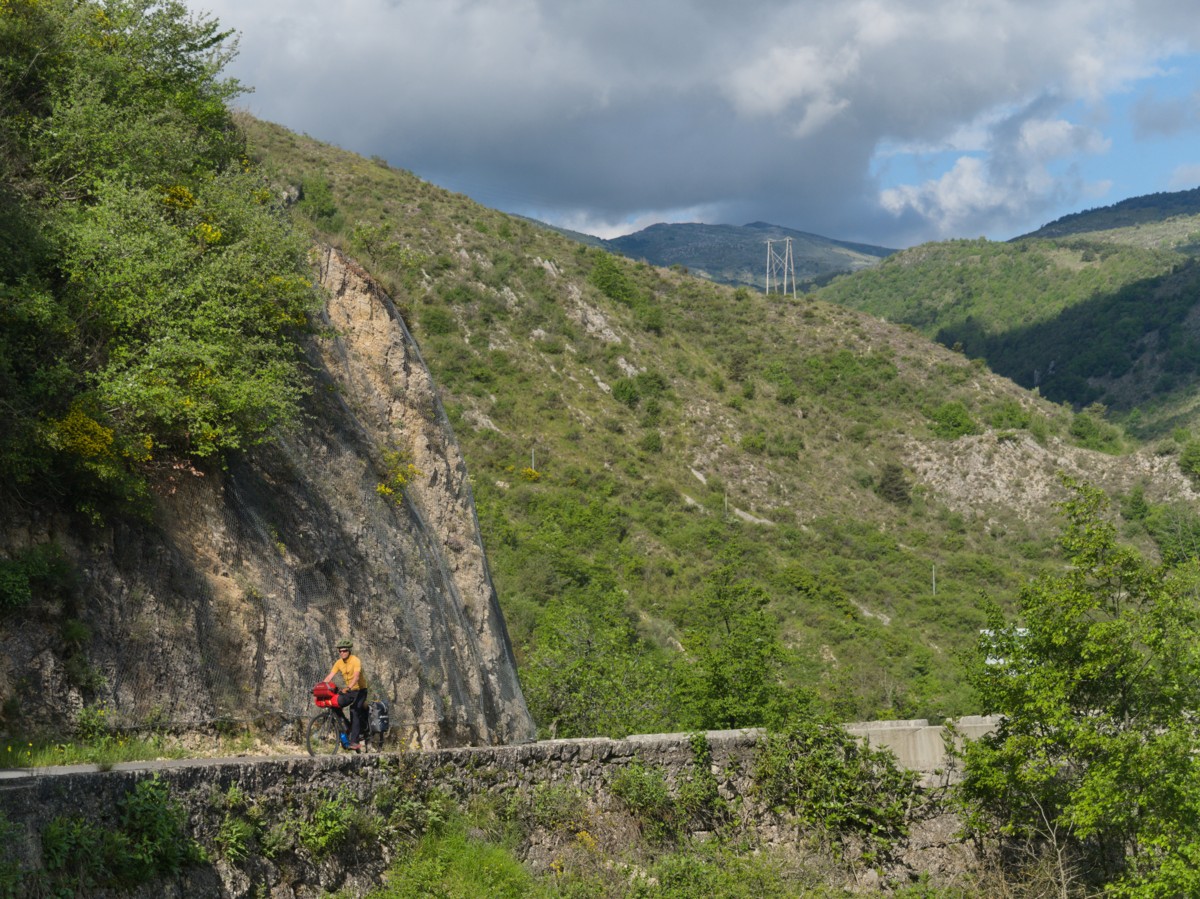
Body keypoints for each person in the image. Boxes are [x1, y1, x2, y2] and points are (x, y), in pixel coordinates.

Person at [324, 638, 369, 750]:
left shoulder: (355, 660)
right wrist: (320, 686)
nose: (342, 653)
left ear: (349, 651)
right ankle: (348, 727)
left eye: (344, 651)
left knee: (354, 710)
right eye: (340, 651)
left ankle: (354, 741)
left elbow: (356, 676)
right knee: (335, 704)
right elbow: (330, 676)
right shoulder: (338, 663)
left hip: (360, 690)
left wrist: (348, 687)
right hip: (349, 691)